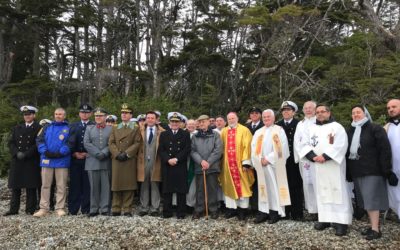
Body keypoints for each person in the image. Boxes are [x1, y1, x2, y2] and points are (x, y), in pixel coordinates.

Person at [298, 104, 352, 236]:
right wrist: (313, 156)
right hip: (317, 166)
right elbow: (303, 144)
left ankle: (341, 222)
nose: (320, 114)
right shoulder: (311, 129)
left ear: (329, 113)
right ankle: (325, 219)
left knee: (337, 192)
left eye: (323, 111)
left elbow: (341, 145)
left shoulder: (337, 127)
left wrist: (325, 156)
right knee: (321, 191)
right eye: (318, 112)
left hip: (333, 165)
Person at [346, 105, 392, 240]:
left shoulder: (375, 128)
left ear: (364, 114)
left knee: (372, 201)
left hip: (373, 170)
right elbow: (348, 153)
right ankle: (373, 225)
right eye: (353, 113)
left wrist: (386, 170)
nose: (355, 115)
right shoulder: (350, 131)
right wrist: (349, 172)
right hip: (357, 171)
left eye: (358, 112)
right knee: (365, 201)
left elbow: (384, 150)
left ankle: (376, 230)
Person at [251, 109, 290, 224]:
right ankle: (263, 212)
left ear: (273, 118)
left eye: (268, 117)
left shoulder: (279, 130)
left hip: (273, 166)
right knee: (262, 188)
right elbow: (253, 148)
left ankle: (274, 212)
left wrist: (268, 159)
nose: (266, 118)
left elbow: (281, 148)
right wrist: (259, 159)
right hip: (261, 166)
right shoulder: (258, 132)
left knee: (273, 189)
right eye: (264, 117)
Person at [4, 106, 42, 216]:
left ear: (34, 115)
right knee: (15, 186)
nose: (27, 116)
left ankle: (30, 209)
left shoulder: (39, 128)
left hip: (31, 160)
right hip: (18, 160)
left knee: (31, 186)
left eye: (29, 114)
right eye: (25, 115)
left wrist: (27, 153)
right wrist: (16, 153)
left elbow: (38, 143)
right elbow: (11, 143)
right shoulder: (17, 127)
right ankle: (13, 209)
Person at [34, 108, 71, 217]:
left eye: (60, 114)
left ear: (64, 116)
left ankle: (60, 208)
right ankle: (43, 208)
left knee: (61, 185)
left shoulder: (69, 128)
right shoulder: (46, 127)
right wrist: (45, 151)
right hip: (47, 160)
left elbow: (70, 142)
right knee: (45, 185)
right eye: (56, 114)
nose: (58, 116)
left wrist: (61, 152)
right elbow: (39, 140)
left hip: (62, 160)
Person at [108, 103, 142, 216]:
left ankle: (127, 209)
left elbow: (137, 142)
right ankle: (116, 208)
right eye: (122, 113)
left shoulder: (135, 128)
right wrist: (117, 154)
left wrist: (127, 153)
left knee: (129, 184)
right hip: (117, 159)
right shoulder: (115, 127)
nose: (124, 115)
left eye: (126, 113)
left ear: (131, 115)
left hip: (128, 159)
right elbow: (111, 142)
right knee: (116, 184)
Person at [220, 112, 254, 220]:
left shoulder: (244, 130)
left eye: (233, 118)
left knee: (243, 186)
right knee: (229, 185)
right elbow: (220, 148)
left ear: (237, 118)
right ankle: (231, 209)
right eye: (229, 118)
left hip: (240, 165)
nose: (231, 120)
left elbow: (247, 146)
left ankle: (242, 210)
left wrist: (246, 163)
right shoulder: (224, 131)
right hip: (227, 165)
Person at [158, 113, 191, 219]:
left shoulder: (185, 134)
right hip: (168, 165)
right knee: (167, 190)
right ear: (169, 123)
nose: (174, 124)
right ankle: (167, 212)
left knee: (181, 190)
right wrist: (168, 159)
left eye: (177, 122)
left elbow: (187, 149)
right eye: (172, 122)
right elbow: (161, 150)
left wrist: (176, 159)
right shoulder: (164, 134)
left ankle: (181, 213)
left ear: (180, 123)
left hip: (179, 164)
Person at [191, 115, 223, 219]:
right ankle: (199, 209)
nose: (201, 124)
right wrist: (201, 161)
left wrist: (208, 162)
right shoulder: (195, 136)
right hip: (199, 166)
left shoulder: (215, 135)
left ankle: (213, 209)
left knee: (212, 188)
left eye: (203, 122)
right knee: (200, 189)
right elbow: (192, 151)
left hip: (212, 166)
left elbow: (218, 150)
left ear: (208, 122)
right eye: (199, 122)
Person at [276, 101, 303, 220]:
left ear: (293, 112)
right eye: (284, 110)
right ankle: (285, 212)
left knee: (296, 186)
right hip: (281, 160)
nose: (286, 112)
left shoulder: (299, 124)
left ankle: (297, 213)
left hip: (294, 159)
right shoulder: (277, 125)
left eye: (288, 110)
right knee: (283, 185)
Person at [83, 108, 113, 217]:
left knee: (106, 186)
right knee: (93, 187)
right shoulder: (89, 128)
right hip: (92, 161)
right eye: (96, 116)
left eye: (100, 116)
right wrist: (97, 153)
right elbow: (86, 143)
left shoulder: (111, 129)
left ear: (106, 117)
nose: (98, 118)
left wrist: (104, 153)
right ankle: (94, 208)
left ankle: (105, 208)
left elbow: (112, 143)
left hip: (106, 161)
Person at [137, 111, 165, 216]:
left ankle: (155, 208)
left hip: (156, 160)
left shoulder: (162, 131)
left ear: (156, 119)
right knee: (144, 183)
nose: (150, 120)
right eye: (148, 118)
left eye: (152, 118)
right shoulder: (140, 130)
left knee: (155, 183)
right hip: (142, 160)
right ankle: (144, 207)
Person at [68, 104, 94, 215]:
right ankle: (73, 209)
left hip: (89, 159)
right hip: (75, 160)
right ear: (79, 113)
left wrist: (89, 153)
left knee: (87, 185)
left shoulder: (94, 125)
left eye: (87, 112)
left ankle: (86, 208)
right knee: (74, 185)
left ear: (91, 114)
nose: (84, 114)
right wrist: (74, 153)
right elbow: (67, 142)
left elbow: (97, 142)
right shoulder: (72, 126)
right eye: (83, 112)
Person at [294, 101, 318, 218]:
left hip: (316, 158)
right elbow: (296, 142)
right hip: (304, 159)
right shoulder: (300, 124)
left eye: (310, 108)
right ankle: (312, 210)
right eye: (306, 108)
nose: (308, 110)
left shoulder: (319, 122)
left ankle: (321, 210)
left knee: (317, 184)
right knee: (307, 185)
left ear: (315, 109)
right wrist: (300, 155)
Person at [246, 107, 264, 215]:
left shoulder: (264, 126)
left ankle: (259, 208)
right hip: (249, 158)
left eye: (256, 113)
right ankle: (252, 207)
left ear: (260, 115)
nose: (254, 115)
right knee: (250, 182)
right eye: (252, 113)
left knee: (259, 183)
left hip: (260, 159)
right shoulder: (246, 127)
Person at [385, 99, 400, 219]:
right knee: (395, 194)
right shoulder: (386, 127)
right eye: (389, 108)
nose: (391, 109)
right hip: (393, 168)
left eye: (394, 106)